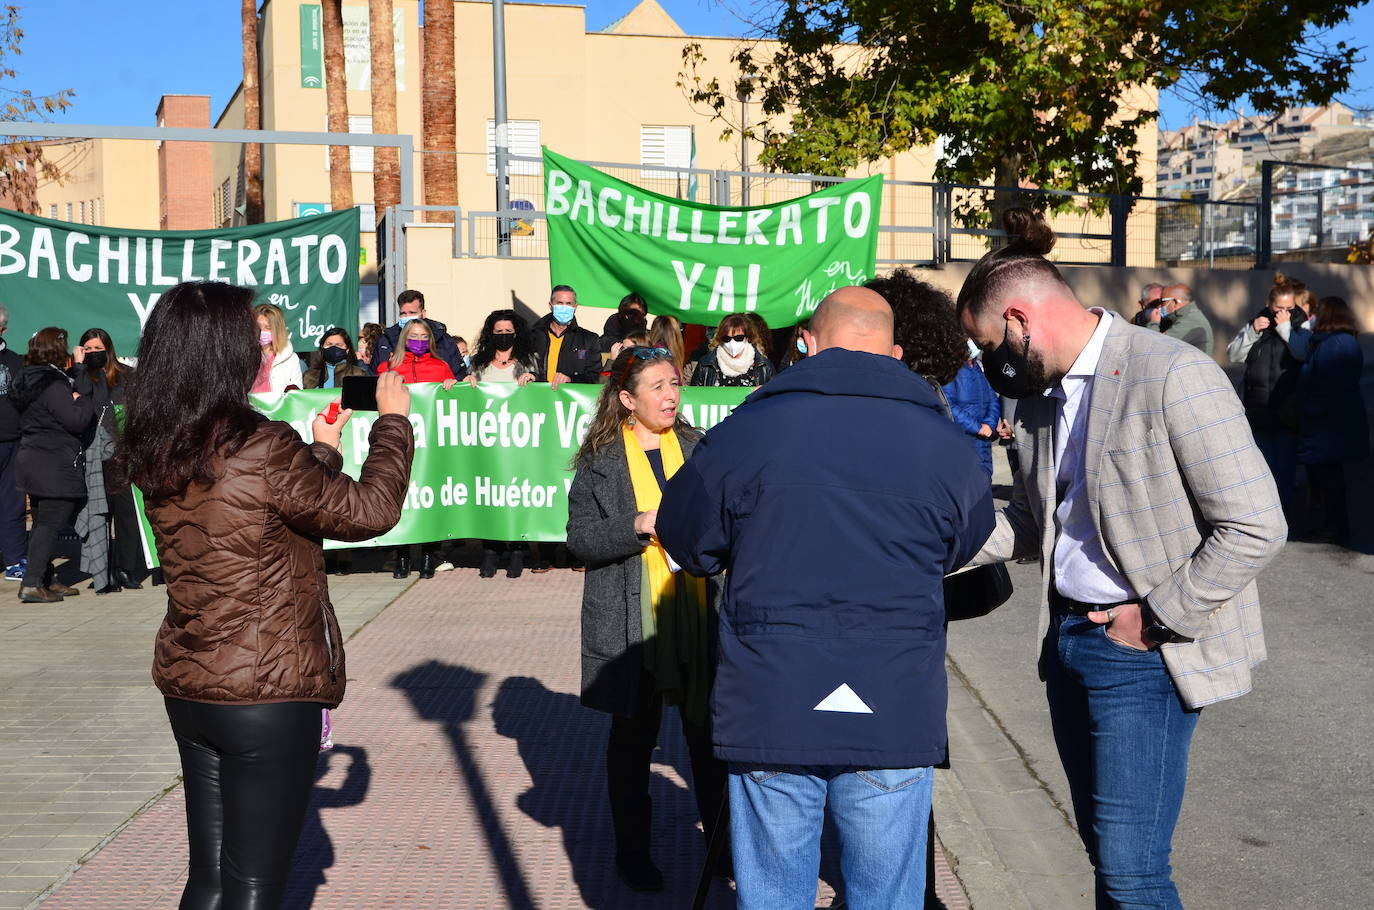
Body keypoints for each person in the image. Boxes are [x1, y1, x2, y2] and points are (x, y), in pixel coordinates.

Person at [957, 208, 1286, 909]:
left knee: (1133, 871)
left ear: (1018, 319)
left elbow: (1255, 525)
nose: (989, 365)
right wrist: (921, 551)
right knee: (1108, 859)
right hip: (1068, 641)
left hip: (1141, 651)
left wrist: (1155, 619)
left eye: (987, 346)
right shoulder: (1039, 398)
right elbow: (1032, 522)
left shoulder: (1170, 372)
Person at [657, 288, 994, 909]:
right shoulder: (943, 444)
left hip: (772, 699)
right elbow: (965, 541)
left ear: (807, 345)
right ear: (894, 355)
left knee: (773, 897)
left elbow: (685, 538)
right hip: (893, 700)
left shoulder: (745, 432)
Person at [122, 281, 414, 910]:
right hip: (267, 686)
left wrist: (321, 453)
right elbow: (371, 510)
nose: (260, 347)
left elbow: (264, 508)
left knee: (209, 879)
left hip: (193, 681)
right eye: (250, 338)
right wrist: (393, 423)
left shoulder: (159, 444)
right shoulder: (262, 445)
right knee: (253, 885)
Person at [567, 345, 727, 893]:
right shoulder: (601, 459)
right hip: (631, 620)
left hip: (699, 612)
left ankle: (723, 850)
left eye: (675, 383)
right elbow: (580, 540)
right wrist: (637, 524)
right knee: (633, 742)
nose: (670, 395)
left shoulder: (699, 447)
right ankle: (633, 852)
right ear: (627, 399)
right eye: (657, 387)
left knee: (710, 740)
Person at [11, 327, 97, 603]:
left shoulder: (28, 377)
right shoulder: (52, 384)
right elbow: (76, 420)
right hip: (52, 461)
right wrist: (82, 398)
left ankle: (46, 578)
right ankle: (32, 582)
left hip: (34, 458)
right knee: (50, 523)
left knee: (41, 522)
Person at [378, 318, 457, 579]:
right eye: (414, 336)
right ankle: (401, 556)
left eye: (424, 337)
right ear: (404, 338)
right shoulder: (389, 367)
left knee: (430, 497)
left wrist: (451, 386)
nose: (419, 341)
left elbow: (454, 400)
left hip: (431, 442)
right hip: (399, 440)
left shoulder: (441, 366)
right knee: (401, 495)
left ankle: (428, 556)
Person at [1226, 274, 1311, 509]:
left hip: (1287, 410)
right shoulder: (1258, 323)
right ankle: (1265, 513)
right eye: (1278, 309)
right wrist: (1252, 332)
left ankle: (1284, 515)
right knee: (1263, 468)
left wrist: (1285, 329)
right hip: (1258, 409)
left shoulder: (1301, 325)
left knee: (1284, 469)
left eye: (1289, 308)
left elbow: (1303, 353)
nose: (1284, 313)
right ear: (1268, 304)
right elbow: (1234, 355)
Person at [70, 328, 144, 594]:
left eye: (97, 349)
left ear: (108, 349)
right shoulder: (80, 375)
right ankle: (101, 569)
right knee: (98, 514)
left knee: (126, 512)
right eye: (87, 349)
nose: (92, 353)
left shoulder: (127, 375)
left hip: (121, 453)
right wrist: (79, 366)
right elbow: (79, 397)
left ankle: (126, 568)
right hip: (92, 453)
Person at [467, 310, 539, 578]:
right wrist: (466, 383)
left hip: (518, 443)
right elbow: (468, 395)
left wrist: (533, 381)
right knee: (488, 493)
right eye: (498, 332)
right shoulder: (479, 363)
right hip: (486, 442)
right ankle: (491, 549)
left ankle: (517, 548)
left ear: (516, 333)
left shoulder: (528, 361)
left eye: (508, 331)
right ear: (490, 334)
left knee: (515, 492)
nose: (503, 336)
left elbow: (538, 397)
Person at [1296, 296, 1368, 545]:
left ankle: (1334, 528)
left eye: (1317, 312)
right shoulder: (1336, 342)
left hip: (1329, 426)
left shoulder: (1335, 344)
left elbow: (1328, 385)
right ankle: (1333, 526)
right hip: (1332, 424)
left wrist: (1308, 408)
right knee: (1329, 478)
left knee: (1330, 480)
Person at [369, 289, 468, 379]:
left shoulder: (444, 341)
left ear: (423, 313)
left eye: (412, 313)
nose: (407, 317)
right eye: (403, 313)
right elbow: (373, 376)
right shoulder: (385, 341)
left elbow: (459, 376)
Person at [943, 346, 1001, 477]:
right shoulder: (951, 371)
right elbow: (948, 405)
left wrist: (989, 425)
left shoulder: (979, 368)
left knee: (985, 479)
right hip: (963, 442)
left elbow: (993, 400)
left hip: (984, 442)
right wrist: (977, 427)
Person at [0, 303, 26, 581]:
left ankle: (15, 560)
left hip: (12, 441)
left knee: (12, 505)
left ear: (3, 329)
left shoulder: (16, 362)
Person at [530, 284, 602, 386]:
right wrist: (531, 376)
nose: (564, 308)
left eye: (569, 303)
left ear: (575, 307)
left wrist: (570, 379)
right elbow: (524, 367)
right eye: (560, 303)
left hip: (569, 395)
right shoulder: (533, 336)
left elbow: (594, 376)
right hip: (539, 393)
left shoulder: (589, 339)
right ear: (551, 306)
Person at [687, 315, 776, 388]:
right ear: (720, 339)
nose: (732, 342)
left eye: (738, 338)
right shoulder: (705, 365)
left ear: (748, 338)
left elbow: (774, 399)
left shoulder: (764, 366)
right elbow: (696, 397)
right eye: (727, 338)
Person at [1144, 282, 1213, 354]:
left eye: (1162, 301)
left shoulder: (1190, 321)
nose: (1160, 306)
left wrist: (1153, 322)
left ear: (1175, 303)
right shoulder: (1185, 317)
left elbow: (1156, 347)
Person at [253, 303, 304, 395]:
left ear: (277, 330)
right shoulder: (244, 355)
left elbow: (296, 395)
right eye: (258, 327)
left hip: (277, 404)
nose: (262, 332)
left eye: (268, 328)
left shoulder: (290, 359)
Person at [303, 327, 371, 389]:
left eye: (338, 345)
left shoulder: (358, 374)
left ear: (347, 350)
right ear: (322, 347)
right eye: (329, 344)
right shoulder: (309, 376)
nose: (333, 348)